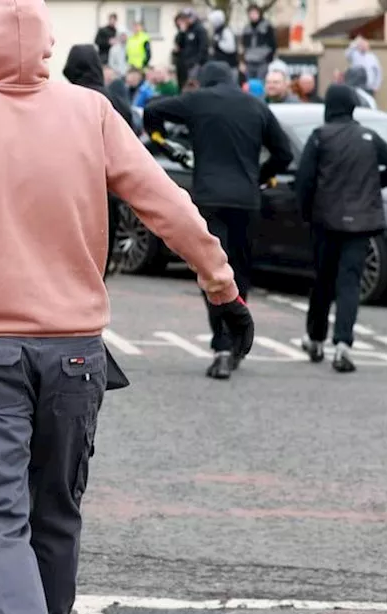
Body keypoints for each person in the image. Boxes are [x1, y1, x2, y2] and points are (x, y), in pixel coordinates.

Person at [0, 1, 246, 614]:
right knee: (56, 515)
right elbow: (165, 201)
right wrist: (220, 285)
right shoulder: (92, 113)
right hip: (79, 353)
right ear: (51, 40)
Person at [144, 61, 293, 380]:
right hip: (246, 200)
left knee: (213, 271)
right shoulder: (257, 106)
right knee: (239, 269)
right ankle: (238, 338)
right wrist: (258, 176)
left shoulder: (198, 100)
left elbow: (152, 110)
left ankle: (222, 345)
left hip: (209, 198)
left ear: (204, 82)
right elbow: (284, 154)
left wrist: (169, 147)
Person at [296, 85, 387, 373]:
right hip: (361, 223)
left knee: (323, 281)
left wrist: (307, 213)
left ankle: (316, 338)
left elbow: (304, 181)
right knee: (349, 283)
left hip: (326, 220)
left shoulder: (321, 137)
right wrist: (374, 186)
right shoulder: (368, 137)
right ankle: (343, 345)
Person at [172, 10, 208, 90]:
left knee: (192, 86)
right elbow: (178, 45)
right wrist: (182, 32)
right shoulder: (184, 31)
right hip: (183, 64)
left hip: (193, 64)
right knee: (182, 86)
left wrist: (197, 62)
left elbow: (203, 47)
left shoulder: (199, 29)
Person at [241, 4, 276, 81]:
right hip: (249, 61)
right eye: (251, 13)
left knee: (261, 83)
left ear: (259, 13)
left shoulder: (267, 26)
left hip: (262, 61)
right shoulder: (246, 28)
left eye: (255, 13)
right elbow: (244, 46)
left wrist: (269, 58)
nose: (253, 15)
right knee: (250, 84)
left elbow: (273, 43)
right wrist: (243, 61)